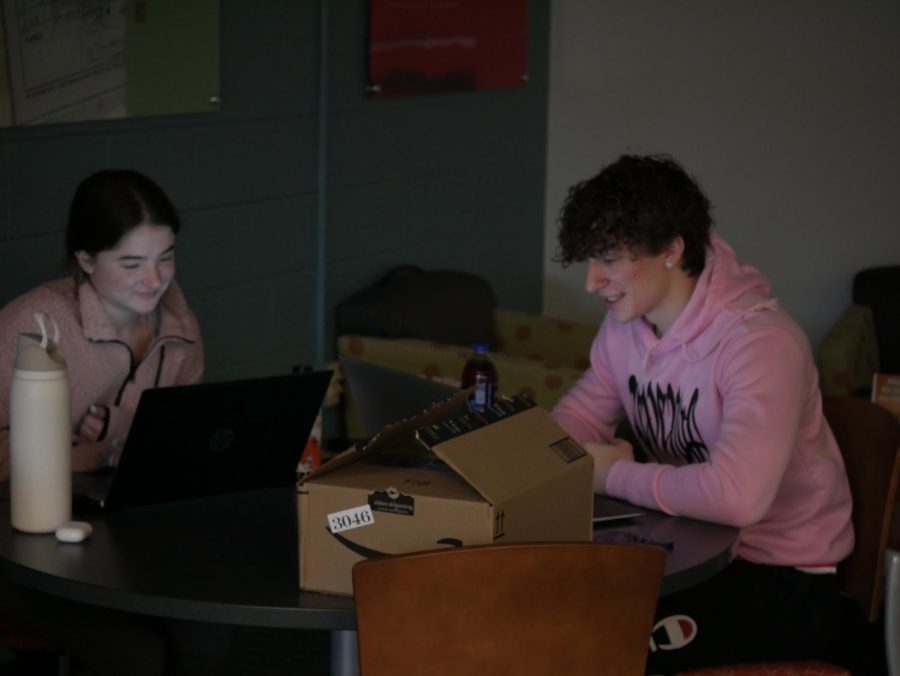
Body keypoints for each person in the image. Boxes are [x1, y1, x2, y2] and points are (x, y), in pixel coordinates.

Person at [551, 154, 854, 673]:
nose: (592, 282)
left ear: (672, 249)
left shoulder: (761, 344)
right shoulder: (628, 325)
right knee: (544, 615)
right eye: (588, 260)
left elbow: (737, 497)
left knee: (596, 650)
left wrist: (612, 475)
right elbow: (577, 417)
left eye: (609, 259)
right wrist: (537, 457)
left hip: (785, 575)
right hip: (684, 549)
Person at [0, 169, 227, 676]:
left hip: (120, 529)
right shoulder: (33, 326)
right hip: (20, 538)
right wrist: (86, 450)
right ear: (85, 260)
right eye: (131, 263)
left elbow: (179, 437)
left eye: (165, 257)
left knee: (207, 636)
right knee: (134, 655)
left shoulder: (179, 325)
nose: (155, 279)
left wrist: (123, 429)